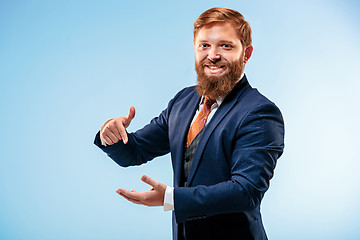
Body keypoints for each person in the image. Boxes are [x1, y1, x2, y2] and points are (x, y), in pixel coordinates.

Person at [94, 7, 284, 240]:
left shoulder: (260, 112)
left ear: (246, 53)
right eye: (204, 45)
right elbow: (135, 151)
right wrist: (111, 136)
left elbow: (246, 191)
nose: (212, 55)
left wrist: (171, 198)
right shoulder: (183, 101)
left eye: (225, 46)